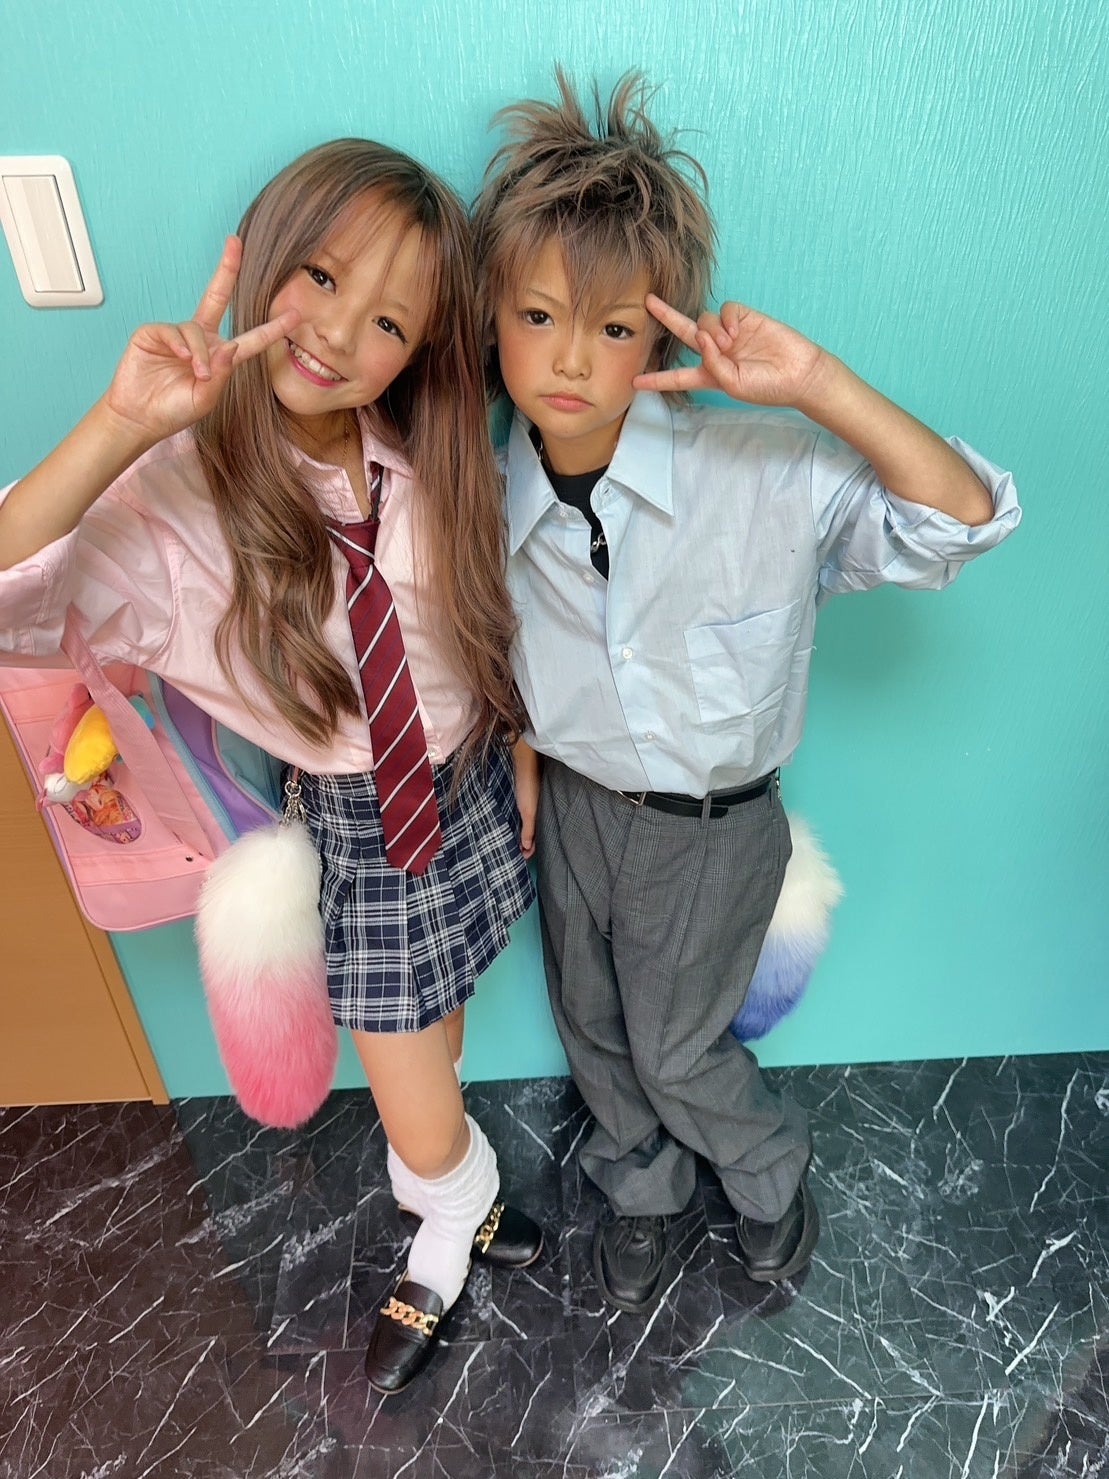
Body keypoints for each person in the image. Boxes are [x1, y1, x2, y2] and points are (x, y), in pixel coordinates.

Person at [0, 138, 543, 1392]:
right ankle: (454, 1210)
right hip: (358, 821)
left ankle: (436, 1187)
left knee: (446, 1013)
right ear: (263, 260)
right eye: (321, 277)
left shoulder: (425, 457)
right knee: (411, 1083)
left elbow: (476, 629)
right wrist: (119, 425)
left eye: (389, 320)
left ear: (418, 349)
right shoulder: (174, 498)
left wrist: (517, 746)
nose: (342, 333)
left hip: (463, 787)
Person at [471, 74, 1020, 1314]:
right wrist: (522, 759)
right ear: (492, 321)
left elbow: (961, 523)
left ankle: (768, 1170)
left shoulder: (761, 472)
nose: (570, 357)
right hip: (576, 806)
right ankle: (641, 1189)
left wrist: (819, 385)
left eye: (613, 327)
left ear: (658, 337)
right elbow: (488, 643)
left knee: (675, 1046)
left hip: (710, 829)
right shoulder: (483, 488)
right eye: (537, 316)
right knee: (590, 1025)